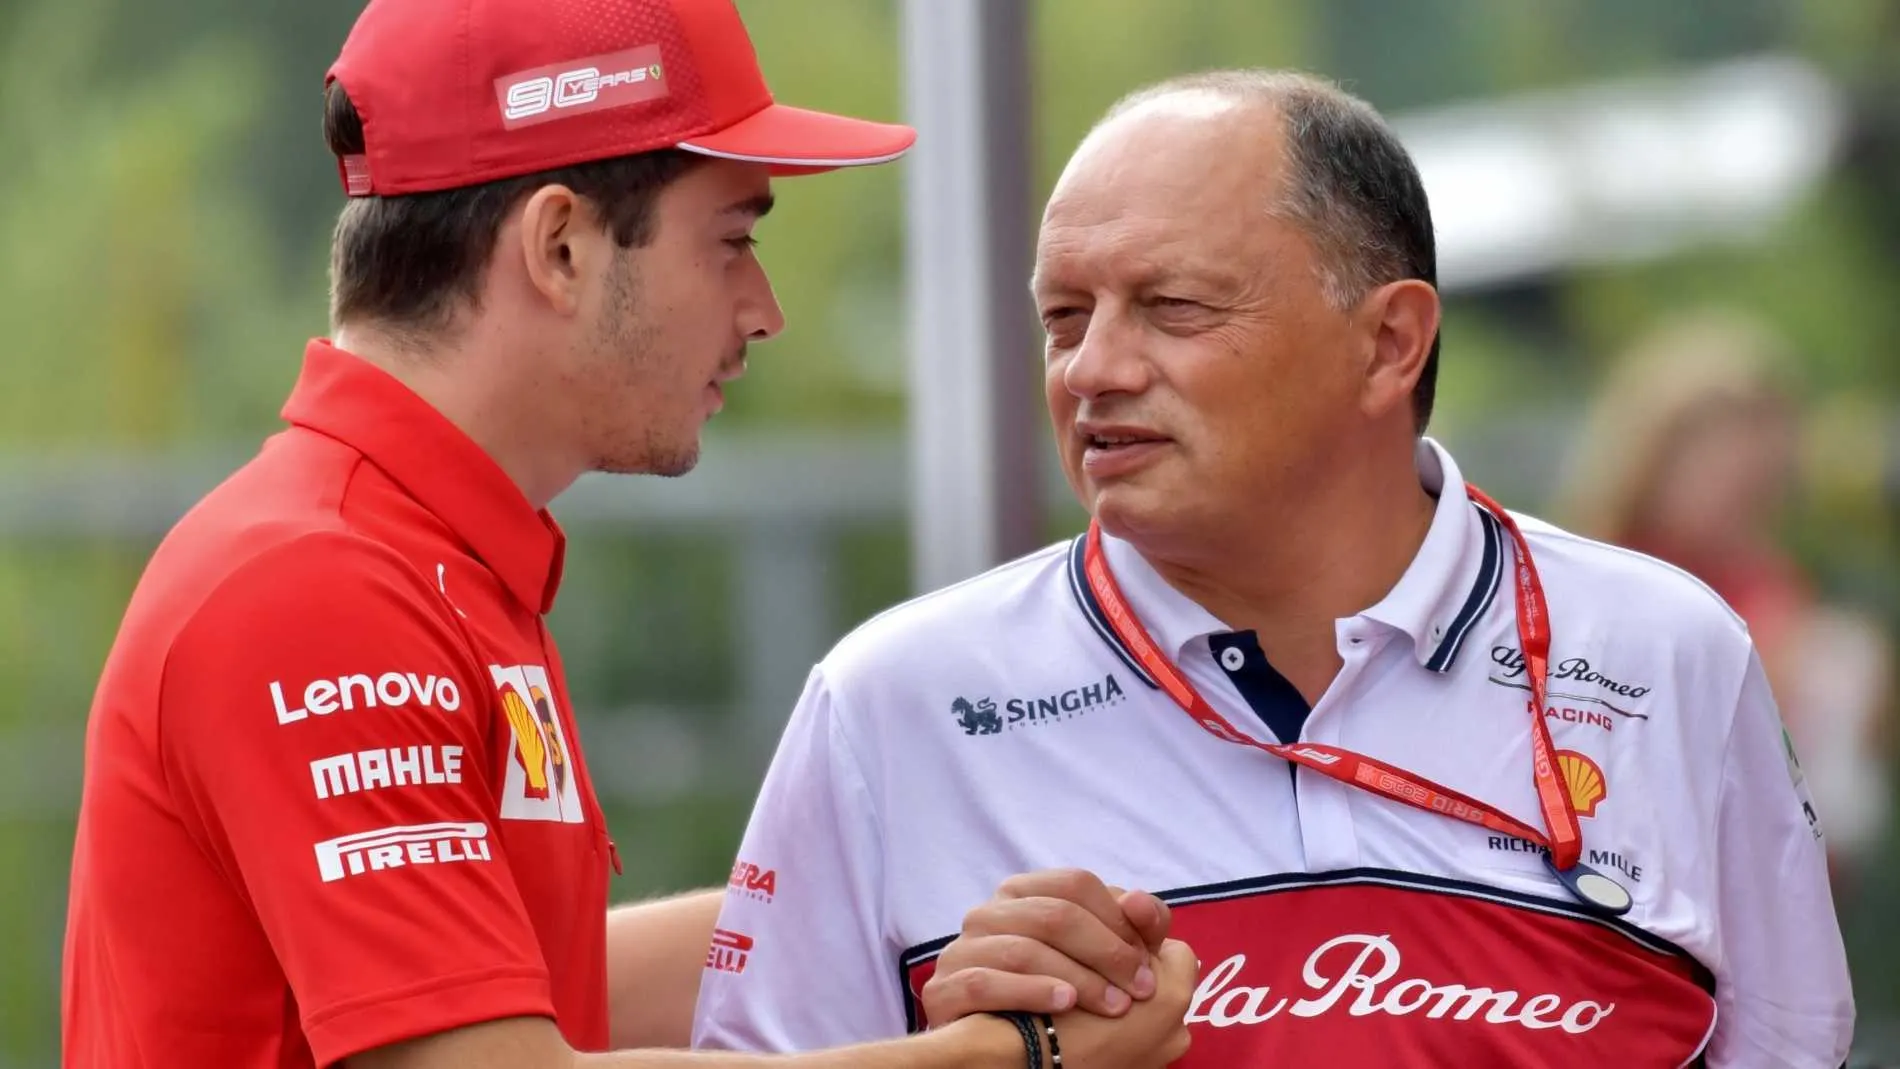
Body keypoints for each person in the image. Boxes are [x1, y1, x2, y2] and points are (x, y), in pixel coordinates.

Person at [57, 1, 1198, 1067]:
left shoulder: (404, 557)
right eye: (731, 239)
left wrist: (900, 897)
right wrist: (1011, 1052)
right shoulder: (317, 585)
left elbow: (513, 982)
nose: (764, 311)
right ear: (560, 248)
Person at [690, 70, 1857, 1066]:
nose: (1091, 368)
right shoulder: (892, 700)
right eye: (1062, 317)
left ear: (1389, 341)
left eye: (1171, 307)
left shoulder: (1666, 653)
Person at [1559, 309, 1895, 901]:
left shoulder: (1770, 584)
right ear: (1652, 458)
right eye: (1727, 471)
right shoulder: (1586, 582)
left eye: (1765, 489)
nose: (1746, 498)